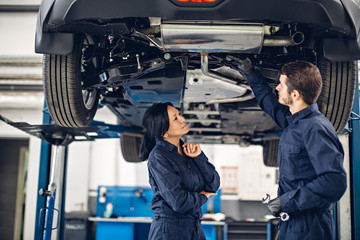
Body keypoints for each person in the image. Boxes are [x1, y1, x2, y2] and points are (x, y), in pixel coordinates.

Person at [237, 60, 347, 239]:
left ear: (295, 94)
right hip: (294, 222)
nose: (277, 88)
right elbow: (271, 106)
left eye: (281, 84)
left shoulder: (315, 128)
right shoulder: (295, 121)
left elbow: (334, 183)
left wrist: (287, 201)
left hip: (310, 228)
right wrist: (250, 73)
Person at [140, 102, 220, 240]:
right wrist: (203, 196)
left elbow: (213, 184)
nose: (183, 119)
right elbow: (179, 202)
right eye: (175, 118)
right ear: (163, 132)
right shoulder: (158, 157)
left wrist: (199, 157)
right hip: (170, 230)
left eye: (179, 114)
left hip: (194, 227)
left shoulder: (188, 150)